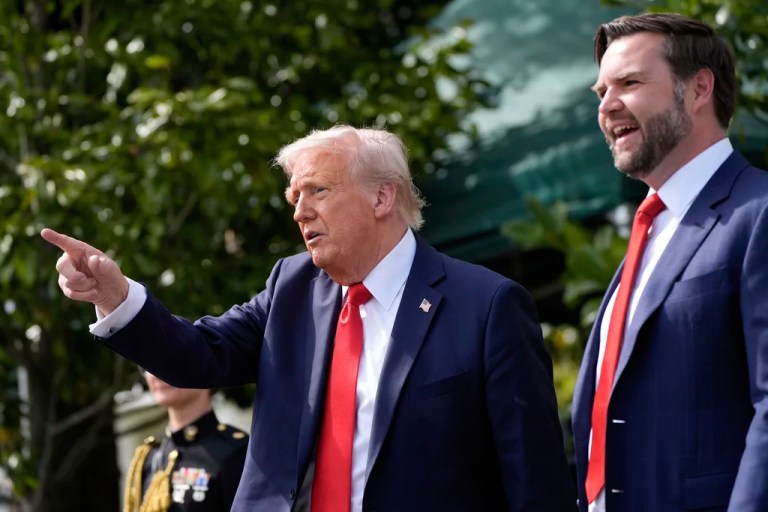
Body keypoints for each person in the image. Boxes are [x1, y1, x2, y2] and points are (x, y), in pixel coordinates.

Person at [41, 125, 576, 512]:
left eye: (318, 190)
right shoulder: (292, 287)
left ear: (382, 196)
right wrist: (115, 296)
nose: (299, 211)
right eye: (294, 197)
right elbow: (196, 355)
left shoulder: (486, 305)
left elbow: (535, 482)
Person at [571, 12, 768, 512]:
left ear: (699, 89)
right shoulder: (650, 228)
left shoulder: (759, 212)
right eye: (600, 92)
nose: (607, 105)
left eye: (630, 83)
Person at [123, 370, 248, 512]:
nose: (155, 372)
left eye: (170, 358)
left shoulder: (237, 453)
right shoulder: (149, 456)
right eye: (147, 365)